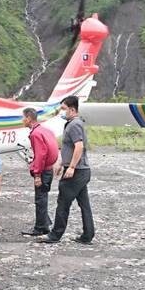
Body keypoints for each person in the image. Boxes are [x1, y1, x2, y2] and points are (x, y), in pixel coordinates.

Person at [37, 95, 94, 244]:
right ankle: (88, 234)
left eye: (64, 109)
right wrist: (62, 164)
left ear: (72, 109)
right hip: (81, 170)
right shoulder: (72, 124)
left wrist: (72, 167)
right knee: (84, 204)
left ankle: (55, 235)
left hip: (77, 171)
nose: (62, 112)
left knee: (63, 202)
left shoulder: (74, 124)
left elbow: (79, 146)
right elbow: (68, 148)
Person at [20, 107, 59, 236]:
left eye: (23, 117)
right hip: (49, 169)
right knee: (44, 196)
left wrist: (37, 174)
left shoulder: (35, 134)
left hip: (43, 171)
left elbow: (41, 155)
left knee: (40, 199)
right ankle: (45, 222)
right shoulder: (46, 130)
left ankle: (40, 227)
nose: (22, 120)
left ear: (28, 118)